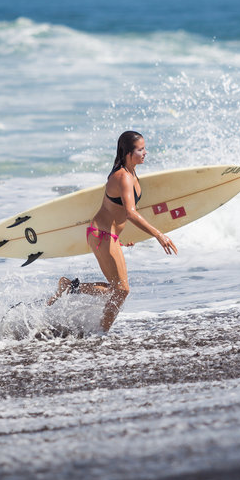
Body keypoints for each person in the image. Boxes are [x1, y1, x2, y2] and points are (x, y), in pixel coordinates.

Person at [47, 131, 177, 330]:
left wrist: (121, 238)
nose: (145, 153)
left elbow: (117, 213)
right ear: (128, 152)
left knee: (117, 290)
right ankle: (102, 331)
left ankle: (71, 288)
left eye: (144, 148)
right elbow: (130, 213)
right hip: (102, 235)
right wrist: (159, 235)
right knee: (121, 290)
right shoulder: (123, 177)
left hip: (109, 235)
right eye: (140, 149)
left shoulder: (131, 172)